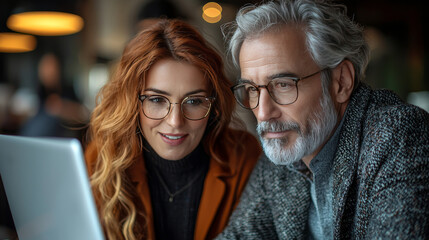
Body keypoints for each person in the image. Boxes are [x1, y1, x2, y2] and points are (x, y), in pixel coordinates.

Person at [216, 0, 429, 239]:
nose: (264, 113)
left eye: (283, 85)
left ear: (341, 82)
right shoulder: (282, 153)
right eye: (252, 89)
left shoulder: (398, 134)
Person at [84, 19, 261, 240]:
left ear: (213, 104)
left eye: (194, 101)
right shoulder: (100, 160)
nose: (175, 121)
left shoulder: (243, 156)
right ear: (131, 103)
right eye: (157, 100)